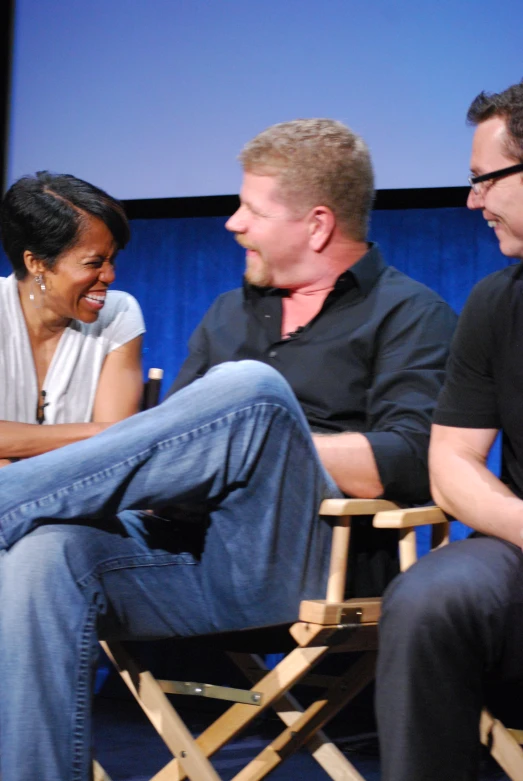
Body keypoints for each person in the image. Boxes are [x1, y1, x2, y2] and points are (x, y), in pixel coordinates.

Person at [0, 120, 455, 781]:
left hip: (309, 566)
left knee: (251, 394)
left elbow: (416, 457)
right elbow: (163, 452)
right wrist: (216, 449)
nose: (231, 223)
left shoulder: (409, 314)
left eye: (251, 208)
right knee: (46, 552)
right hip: (187, 561)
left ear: (317, 223)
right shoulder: (228, 313)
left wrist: (271, 443)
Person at [376, 81, 523, 781]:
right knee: (430, 598)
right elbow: (452, 463)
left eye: (484, 180)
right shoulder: (496, 302)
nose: (472, 201)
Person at [0, 171, 144, 467]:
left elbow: (115, 450)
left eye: (112, 260)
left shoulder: (119, 315)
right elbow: (109, 435)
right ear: (37, 262)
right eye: (94, 263)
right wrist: (95, 432)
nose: (110, 276)